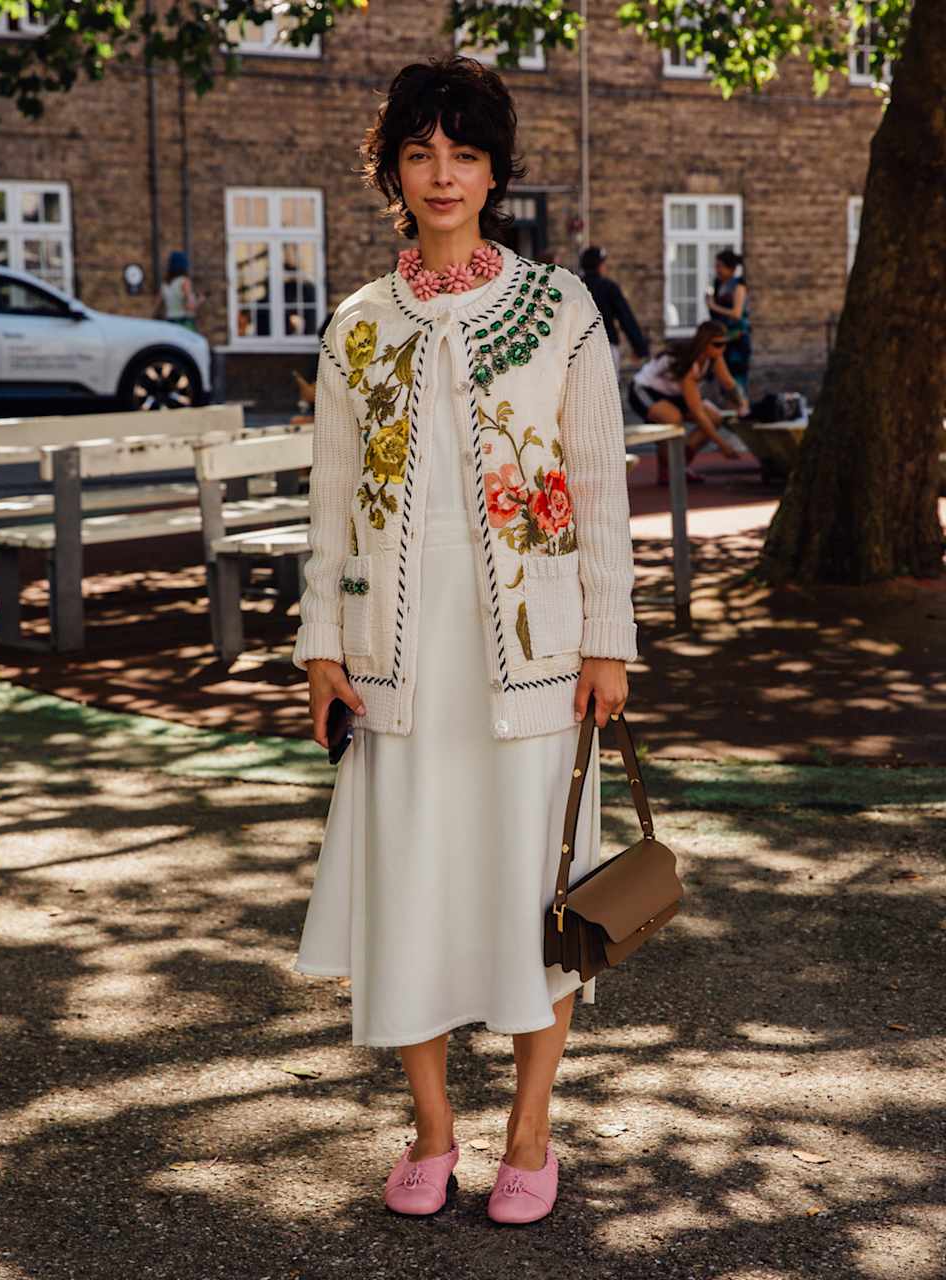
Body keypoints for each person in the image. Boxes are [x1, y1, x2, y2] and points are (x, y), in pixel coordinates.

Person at [293, 56, 636, 1226]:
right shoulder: (358, 323)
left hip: (536, 651)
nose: (443, 175)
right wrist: (320, 643)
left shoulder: (561, 308)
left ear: (496, 168)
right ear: (392, 167)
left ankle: (530, 1132)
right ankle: (434, 1130)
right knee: (410, 889)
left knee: (538, 897)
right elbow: (330, 498)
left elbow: (597, 481)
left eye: (466, 154)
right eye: (421, 153)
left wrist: (609, 639)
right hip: (396, 652)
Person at [628, 320, 749, 485]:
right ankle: (668, 468)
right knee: (672, 419)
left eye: (725, 343)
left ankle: (678, 464)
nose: (722, 348)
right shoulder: (689, 365)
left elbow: (728, 383)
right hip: (645, 389)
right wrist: (722, 444)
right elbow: (697, 412)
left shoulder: (714, 356)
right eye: (717, 344)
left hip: (675, 393)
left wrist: (742, 403)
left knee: (715, 417)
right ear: (704, 343)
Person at [580, 244, 649, 378]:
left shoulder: (576, 286)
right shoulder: (609, 287)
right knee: (608, 394)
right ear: (599, 265)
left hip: (580, 349)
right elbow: (626, 318)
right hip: (606, 345)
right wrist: (640, 348)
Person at [706, 249, 751, 391]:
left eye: (720, 266)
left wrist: (714, 306)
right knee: (724, 381)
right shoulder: (719, 285)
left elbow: (737, 313)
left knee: (736, 380)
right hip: (724, 338)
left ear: (730, 268)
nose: (717, 270)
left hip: (736, 339)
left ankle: (741, 409)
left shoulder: (738, 286)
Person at [155, 251, 202, 330]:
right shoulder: (184, 282)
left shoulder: (165, 284)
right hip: (184, 322)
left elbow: (157, 306)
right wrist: (200, 300)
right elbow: (190, 306)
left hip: (170, 322)